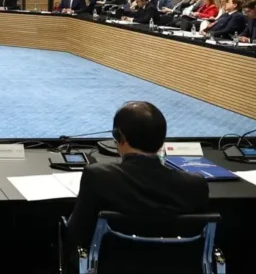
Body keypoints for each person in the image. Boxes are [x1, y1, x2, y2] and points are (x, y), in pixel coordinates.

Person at [66, 101, 209, 248]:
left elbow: (76, 234)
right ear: (162, 141)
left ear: (119, 136)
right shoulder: (196, 185)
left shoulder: (97, 177)